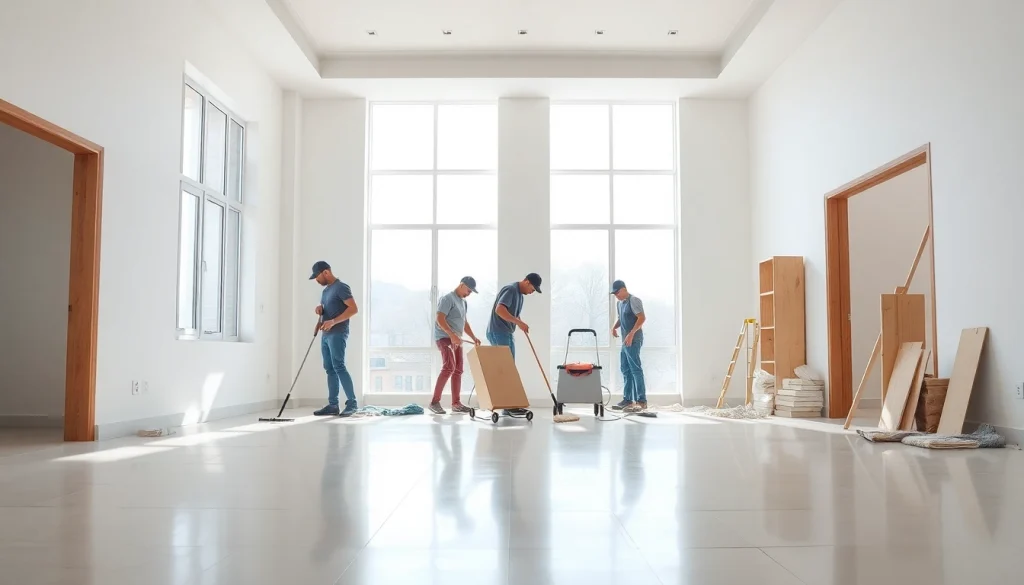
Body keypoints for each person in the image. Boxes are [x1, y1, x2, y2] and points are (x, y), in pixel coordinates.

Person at [486, 273, 542, 415]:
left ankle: (509, 405)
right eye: (533, 289)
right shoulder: (511, 289)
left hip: (506, 332)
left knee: (509, 368)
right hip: (498, 331)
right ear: (527, 282)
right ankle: (507, 405)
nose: (532, 292)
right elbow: (500, 309)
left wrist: (520, 323)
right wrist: (518, 322)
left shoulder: (520, 296)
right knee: (506, 369)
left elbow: (513, 313)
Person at [310, 261, 359, 417]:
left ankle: (352, 404)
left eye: (317, 276)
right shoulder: (325, 291)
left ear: (326, 272)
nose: (316, 280)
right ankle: (333, 405)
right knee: (329, 368)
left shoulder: (341, 287)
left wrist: (333, 322)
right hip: (325, 335)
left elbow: (353, 309)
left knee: (339, 366)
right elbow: (326, 312)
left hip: (338, 333)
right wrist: (320, 315)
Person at [429, 277, 482, 415]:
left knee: (458, 369)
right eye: (468, 290)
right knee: (449, 367)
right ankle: (434, 402)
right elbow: (439, 318)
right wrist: (451, 335)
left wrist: (473, 337)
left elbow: (464, 323)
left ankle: (456, 404)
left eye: (471, 292)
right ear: (462, 285)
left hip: (456, 339)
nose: (469, 294)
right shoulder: (447, 299)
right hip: (444, 337)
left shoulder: (463, 303)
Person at [610, 280, 647, 412]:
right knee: (625, 369)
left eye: (617, 293)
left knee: (635, 369)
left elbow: (642, 318)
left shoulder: (634, 300)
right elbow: (621, 318)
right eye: (614, 294)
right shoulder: (619, 303)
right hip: (625, 341)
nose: (616, 296)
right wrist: (614, 327)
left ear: (624, 289)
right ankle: (628, 400)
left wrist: (631, 334)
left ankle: (641, 401)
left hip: (634, 339)